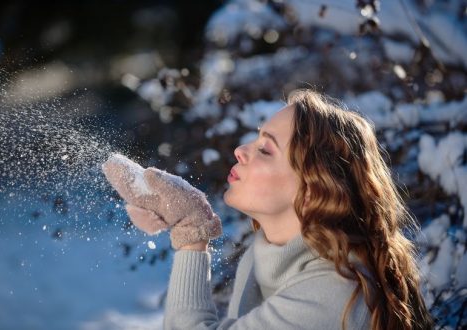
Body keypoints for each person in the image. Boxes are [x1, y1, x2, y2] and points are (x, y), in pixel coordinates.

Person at [102, 89, 433, 330]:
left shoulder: (334, 295)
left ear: (311, 189)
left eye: (265, 149)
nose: (241, 150)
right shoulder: (265, 257)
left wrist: (191, 234)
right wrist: (191, 228)